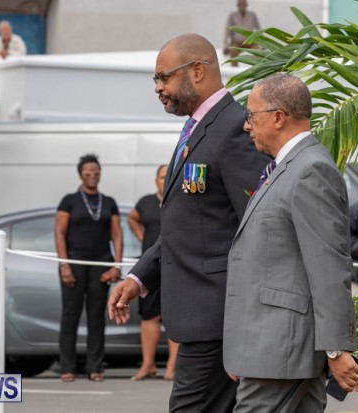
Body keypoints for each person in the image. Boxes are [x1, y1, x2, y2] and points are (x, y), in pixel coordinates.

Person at [108, 33, 269, 412]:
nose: (158, 88)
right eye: (156, 80)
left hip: (218, 322)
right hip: (200, 321)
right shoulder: (198, 128)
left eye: (163, 77)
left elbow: (259, 228)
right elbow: (187, 224)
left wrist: (244, 327)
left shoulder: (234, 128)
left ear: (197, 71)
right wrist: (138, 278)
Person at [223, 74, 358, 412]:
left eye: (251, 115)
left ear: (278, 117)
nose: (246, 125)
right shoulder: (288, 167)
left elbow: (329, 266)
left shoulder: (310, 170)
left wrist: (336, 349)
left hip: (281, 347)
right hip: (277, 347)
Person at [54, 154, 123, 383]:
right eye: (87, 172)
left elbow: (117, 235)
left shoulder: (109, 202)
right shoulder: (69, 201)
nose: (92, 175)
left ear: (100, 173)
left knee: (97, 315)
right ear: (80, 175)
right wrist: (64, 264)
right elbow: (59, 233)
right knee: (70, 314)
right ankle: (67, 367)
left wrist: (116, 265)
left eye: (95, 172)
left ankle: (95, 367)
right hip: (74, 263)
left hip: (100, 263)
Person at [127, 164, 179, 381]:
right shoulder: (146, 202)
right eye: (161, 177)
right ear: (155, 179)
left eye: (168, 176)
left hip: (176, 265)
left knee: (174, 315)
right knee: (149, 315)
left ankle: (172, 367)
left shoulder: (179, 197)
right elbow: (132, 218)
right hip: (151, 267)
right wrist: (142, 238)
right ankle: (147, 365)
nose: (164, 180)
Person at [223, 0, 260, 66]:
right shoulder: (232, 15)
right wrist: (226, 45)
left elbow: (258, 29)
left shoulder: (252, 15)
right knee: (233, 51)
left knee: (258, 52)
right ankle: (234, 70)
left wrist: (261, 44)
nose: (242, 6)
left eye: (243, 4)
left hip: (250, 42)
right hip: (237, 42)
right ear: (237, 5)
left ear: (246, 5)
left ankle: (257, 69)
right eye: (240, 4)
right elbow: (228, 30)